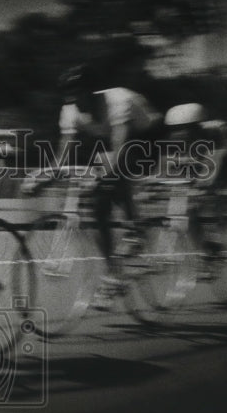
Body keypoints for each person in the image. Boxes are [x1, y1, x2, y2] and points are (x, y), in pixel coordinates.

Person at [38, 64, 162, 308]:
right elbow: (63, 154)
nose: (75, 101)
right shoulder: (70, 110)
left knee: (113, 170)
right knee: (98, 209)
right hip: (109, 141)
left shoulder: (117, 102)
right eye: (70, 96)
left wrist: (102, 178)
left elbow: (120, 147)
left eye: (80, 95)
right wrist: (44, 177)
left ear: (93, 92)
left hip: (147, 134)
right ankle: (113, 274)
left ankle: (135, 231)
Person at [162, 103, 227, 264]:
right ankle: (199, 249)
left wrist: (205, 185)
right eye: (176, 128)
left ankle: (214, 240)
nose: (180, 132)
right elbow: (172, 167)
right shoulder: (174, 139)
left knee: (213, 205)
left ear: (197, 126)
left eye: (185, 128)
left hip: (224, 165)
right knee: (179, 210)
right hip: (196, 167)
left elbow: (215, 164)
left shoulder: (213, 133)